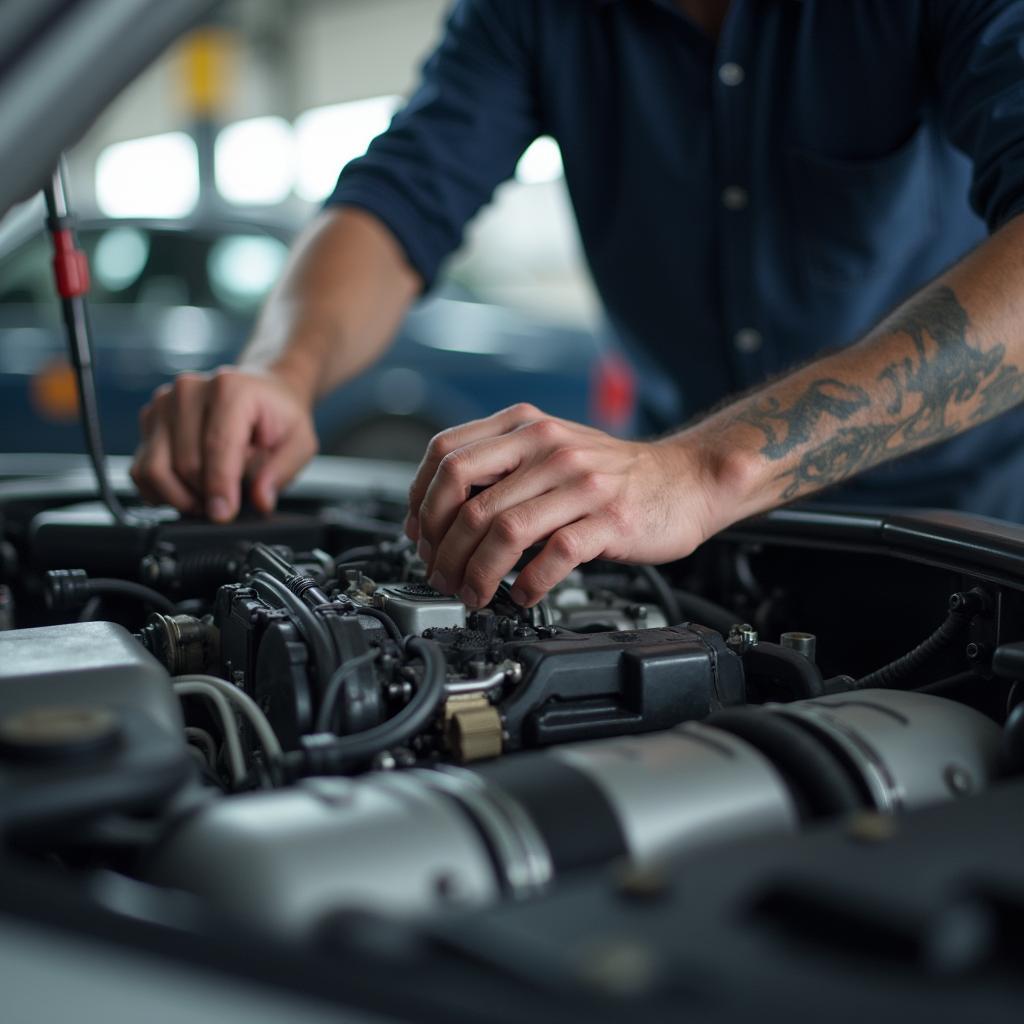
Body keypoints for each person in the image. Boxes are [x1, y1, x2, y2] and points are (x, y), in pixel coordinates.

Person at [132, 0, 1024, 611]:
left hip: (966, 549)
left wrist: (707, 471)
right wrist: (280, 372)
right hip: (693, 569)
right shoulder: (531, 13)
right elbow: (402, 197)